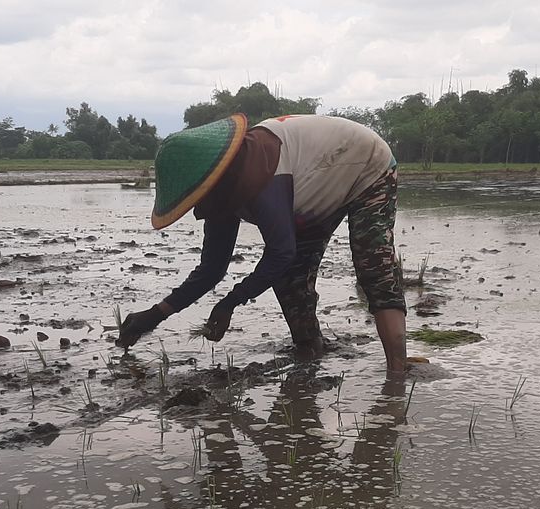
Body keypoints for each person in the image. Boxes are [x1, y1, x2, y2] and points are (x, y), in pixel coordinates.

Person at [116, 113, 408, 376]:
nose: (196, 207)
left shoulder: (263, 175)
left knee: (373, 265)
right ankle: (310, 353)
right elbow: (211, 269)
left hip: (366, 165)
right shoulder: (222, 190)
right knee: (290, 279)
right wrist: (153, 316)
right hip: (313, 183)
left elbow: (281, 251)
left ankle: (397, 373)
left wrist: (230, 302)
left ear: (211, 181)